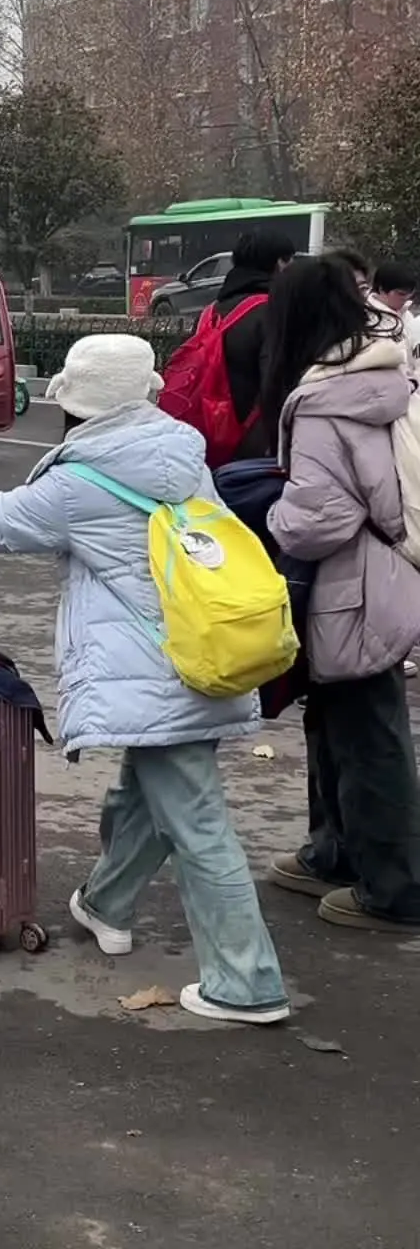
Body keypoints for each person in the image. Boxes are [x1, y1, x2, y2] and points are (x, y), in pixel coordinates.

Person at [0, 334, 289, 1024]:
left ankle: (246, 982)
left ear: (77, 403)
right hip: (206, 656)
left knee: (196, 823)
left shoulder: (84, 481)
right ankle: (107, 906)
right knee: (147, 796)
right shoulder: (182, 454)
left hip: (156, 674)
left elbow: (2, 519)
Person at [263, 256, 420, 931]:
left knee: (367, 732)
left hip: (353, 586)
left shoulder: (327, 399)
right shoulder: (373, 376)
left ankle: (394, 888)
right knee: (336, 721)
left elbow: (318, 518)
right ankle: (336, 853)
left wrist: (267, 518)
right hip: (375, 577)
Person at [215, 228, 296, 459]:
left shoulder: (212, 311)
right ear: (279, 263)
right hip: (254, 441)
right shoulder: (271, 311)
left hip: (209, 428)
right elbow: (275, 384)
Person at [370, 262, 420, 367]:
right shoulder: (366, 319)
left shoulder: (407, 316)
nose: (406, 298)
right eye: (401, 294)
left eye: (410, 294)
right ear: (381, 290)